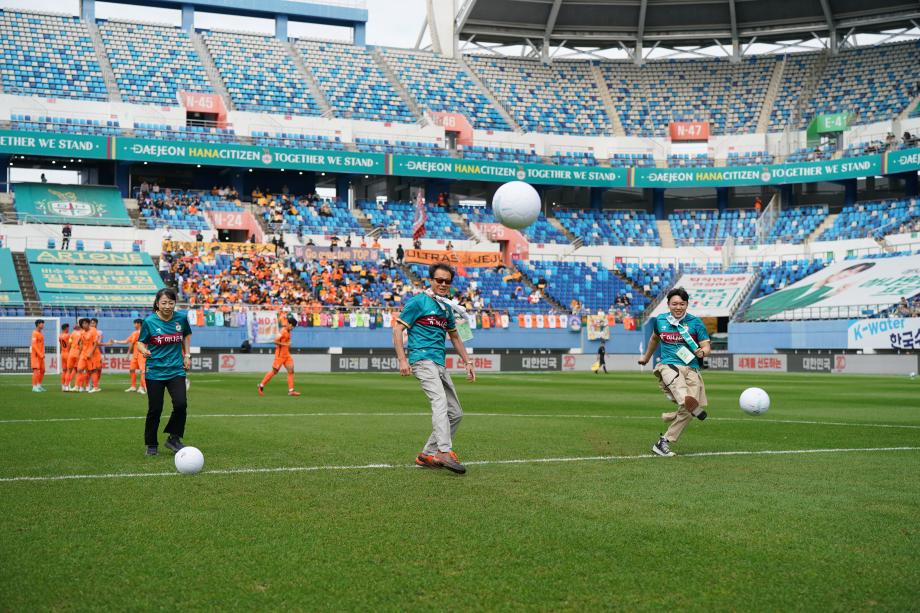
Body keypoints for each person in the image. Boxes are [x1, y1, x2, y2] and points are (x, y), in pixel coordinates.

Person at [393, 263, 475, 474]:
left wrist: (467, 361)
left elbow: (455, 337)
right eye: (439, 280)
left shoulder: (446, 307)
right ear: (431, 280)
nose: (443, 284)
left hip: (439, 363)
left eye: (447, 281)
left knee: (456, 413)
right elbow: (398, 328)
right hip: (422, 360)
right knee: (439, 402)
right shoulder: (418, 302)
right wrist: (403, 359)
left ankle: (427, 454)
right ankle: (443, 451)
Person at [638, 287, 711, 457]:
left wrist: (703, 352)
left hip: (692, 368)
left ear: (686, 304)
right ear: (668, 304)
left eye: (682, 304)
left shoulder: (695, 322)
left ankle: (663, 441)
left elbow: (706, 346)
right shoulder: (661, 320)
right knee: (683, 393)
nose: (678, 307)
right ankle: (684, 401)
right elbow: (654, 339)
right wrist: (646, 357)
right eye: (674, 304)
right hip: (669, 365)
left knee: (688, 411)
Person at [137, 288, 193, 456]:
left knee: (181, 404)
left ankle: (173, 439)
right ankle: (151, 444)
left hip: (176, 369)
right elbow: (140, 342)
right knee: (155, 409)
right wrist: (143, 350)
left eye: (171, 302)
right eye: (164, 303)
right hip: (155, 371)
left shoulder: (181, 319)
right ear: (157, 303)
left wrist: (187, 355)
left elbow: (186, 336)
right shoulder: (149, 322)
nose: (167, 306)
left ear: (175, 303)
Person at [258, 313, 301, 397]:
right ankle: (261, 385)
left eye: (293, 327)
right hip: (280, 355)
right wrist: (285, 344)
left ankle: (291, 390)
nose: (292, 328)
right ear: (289, 324)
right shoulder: (283, 331)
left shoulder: (288, 331)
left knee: (291, 371)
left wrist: (287, 345)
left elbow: (286, 342)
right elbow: (275, 341)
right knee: (274, 371)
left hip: (286, 355)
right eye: (292, 326)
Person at [115, 319, 147, 394]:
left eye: (135, 323)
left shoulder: (142, 332)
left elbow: (132, 344)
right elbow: (126, 341)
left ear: (139, 324)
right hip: (135, 354)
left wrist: (128, 353)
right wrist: (116, 341)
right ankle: (133, 386)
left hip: (142, 354)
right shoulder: (134, 333)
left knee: (142, 371)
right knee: (132, 369)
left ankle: (141, 387)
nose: (134, 325)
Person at [64, 320, 84, 391]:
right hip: (79, 353)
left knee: (68, 370)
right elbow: (82, 345)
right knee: (80, 371)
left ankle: (66, 386)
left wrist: (69, 351)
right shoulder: (83, 333)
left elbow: (69, 343)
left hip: (72, 352)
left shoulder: (73, 333)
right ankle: (79, 386)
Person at [30, 319, 46, 392]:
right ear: (38, 324)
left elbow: (41, 345)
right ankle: (34, 387)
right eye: (41, 323)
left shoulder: (41, 333)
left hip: (41, 355)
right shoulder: (34, 333)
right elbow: (34, 345)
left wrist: (42, 353)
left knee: (43, 370)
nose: (43, 325)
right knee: (36, 370)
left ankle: (39, 385)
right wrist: (40, 354)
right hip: (36, 355)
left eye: (43, 323)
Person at [58, 323, 70, 391]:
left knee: (64, 370)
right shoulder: (68, 335)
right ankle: (67, 385)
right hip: (67, 353)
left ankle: (63, 385)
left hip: (62, 353)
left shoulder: (60, 336)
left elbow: (60, 345)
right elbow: (70, 345)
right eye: (68, 328)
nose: (68, 329)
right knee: (69, 370)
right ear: (66, 328)